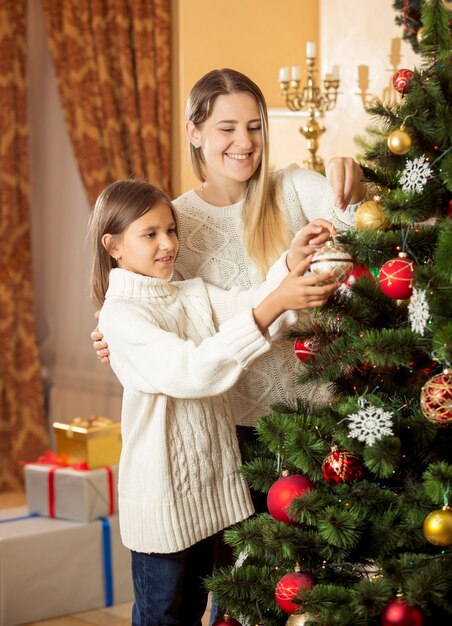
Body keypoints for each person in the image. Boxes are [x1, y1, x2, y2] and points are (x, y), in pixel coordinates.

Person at [91, 68, 368, 620]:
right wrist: (114, 338)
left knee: (287, 592)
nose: (244, 142)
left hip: (302, 425)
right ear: (195, 132)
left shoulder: (289, 187)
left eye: (255, 126)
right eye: (226, 128)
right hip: (223, 442)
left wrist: (350, 181)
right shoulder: (170, 223)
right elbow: (174, 334)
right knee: (206, 602)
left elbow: (364, 218)